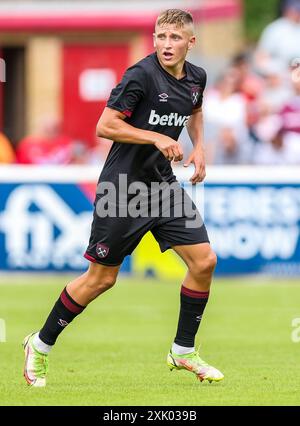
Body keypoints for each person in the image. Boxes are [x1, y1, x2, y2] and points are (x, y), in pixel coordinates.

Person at [23, 9, 224, 387]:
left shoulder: (197, 77)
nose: (167, 44)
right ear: (153, 39)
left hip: (162, 185)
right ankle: (40, 344)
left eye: (175, 38)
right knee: (101, 279)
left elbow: (195, 110)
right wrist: (157, 137)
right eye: (161, 37)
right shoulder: (140, 75)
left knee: (204, 261)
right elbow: (105, 125)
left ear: (190, 43)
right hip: (123, 189)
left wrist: (199, 148)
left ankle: (183, 351)